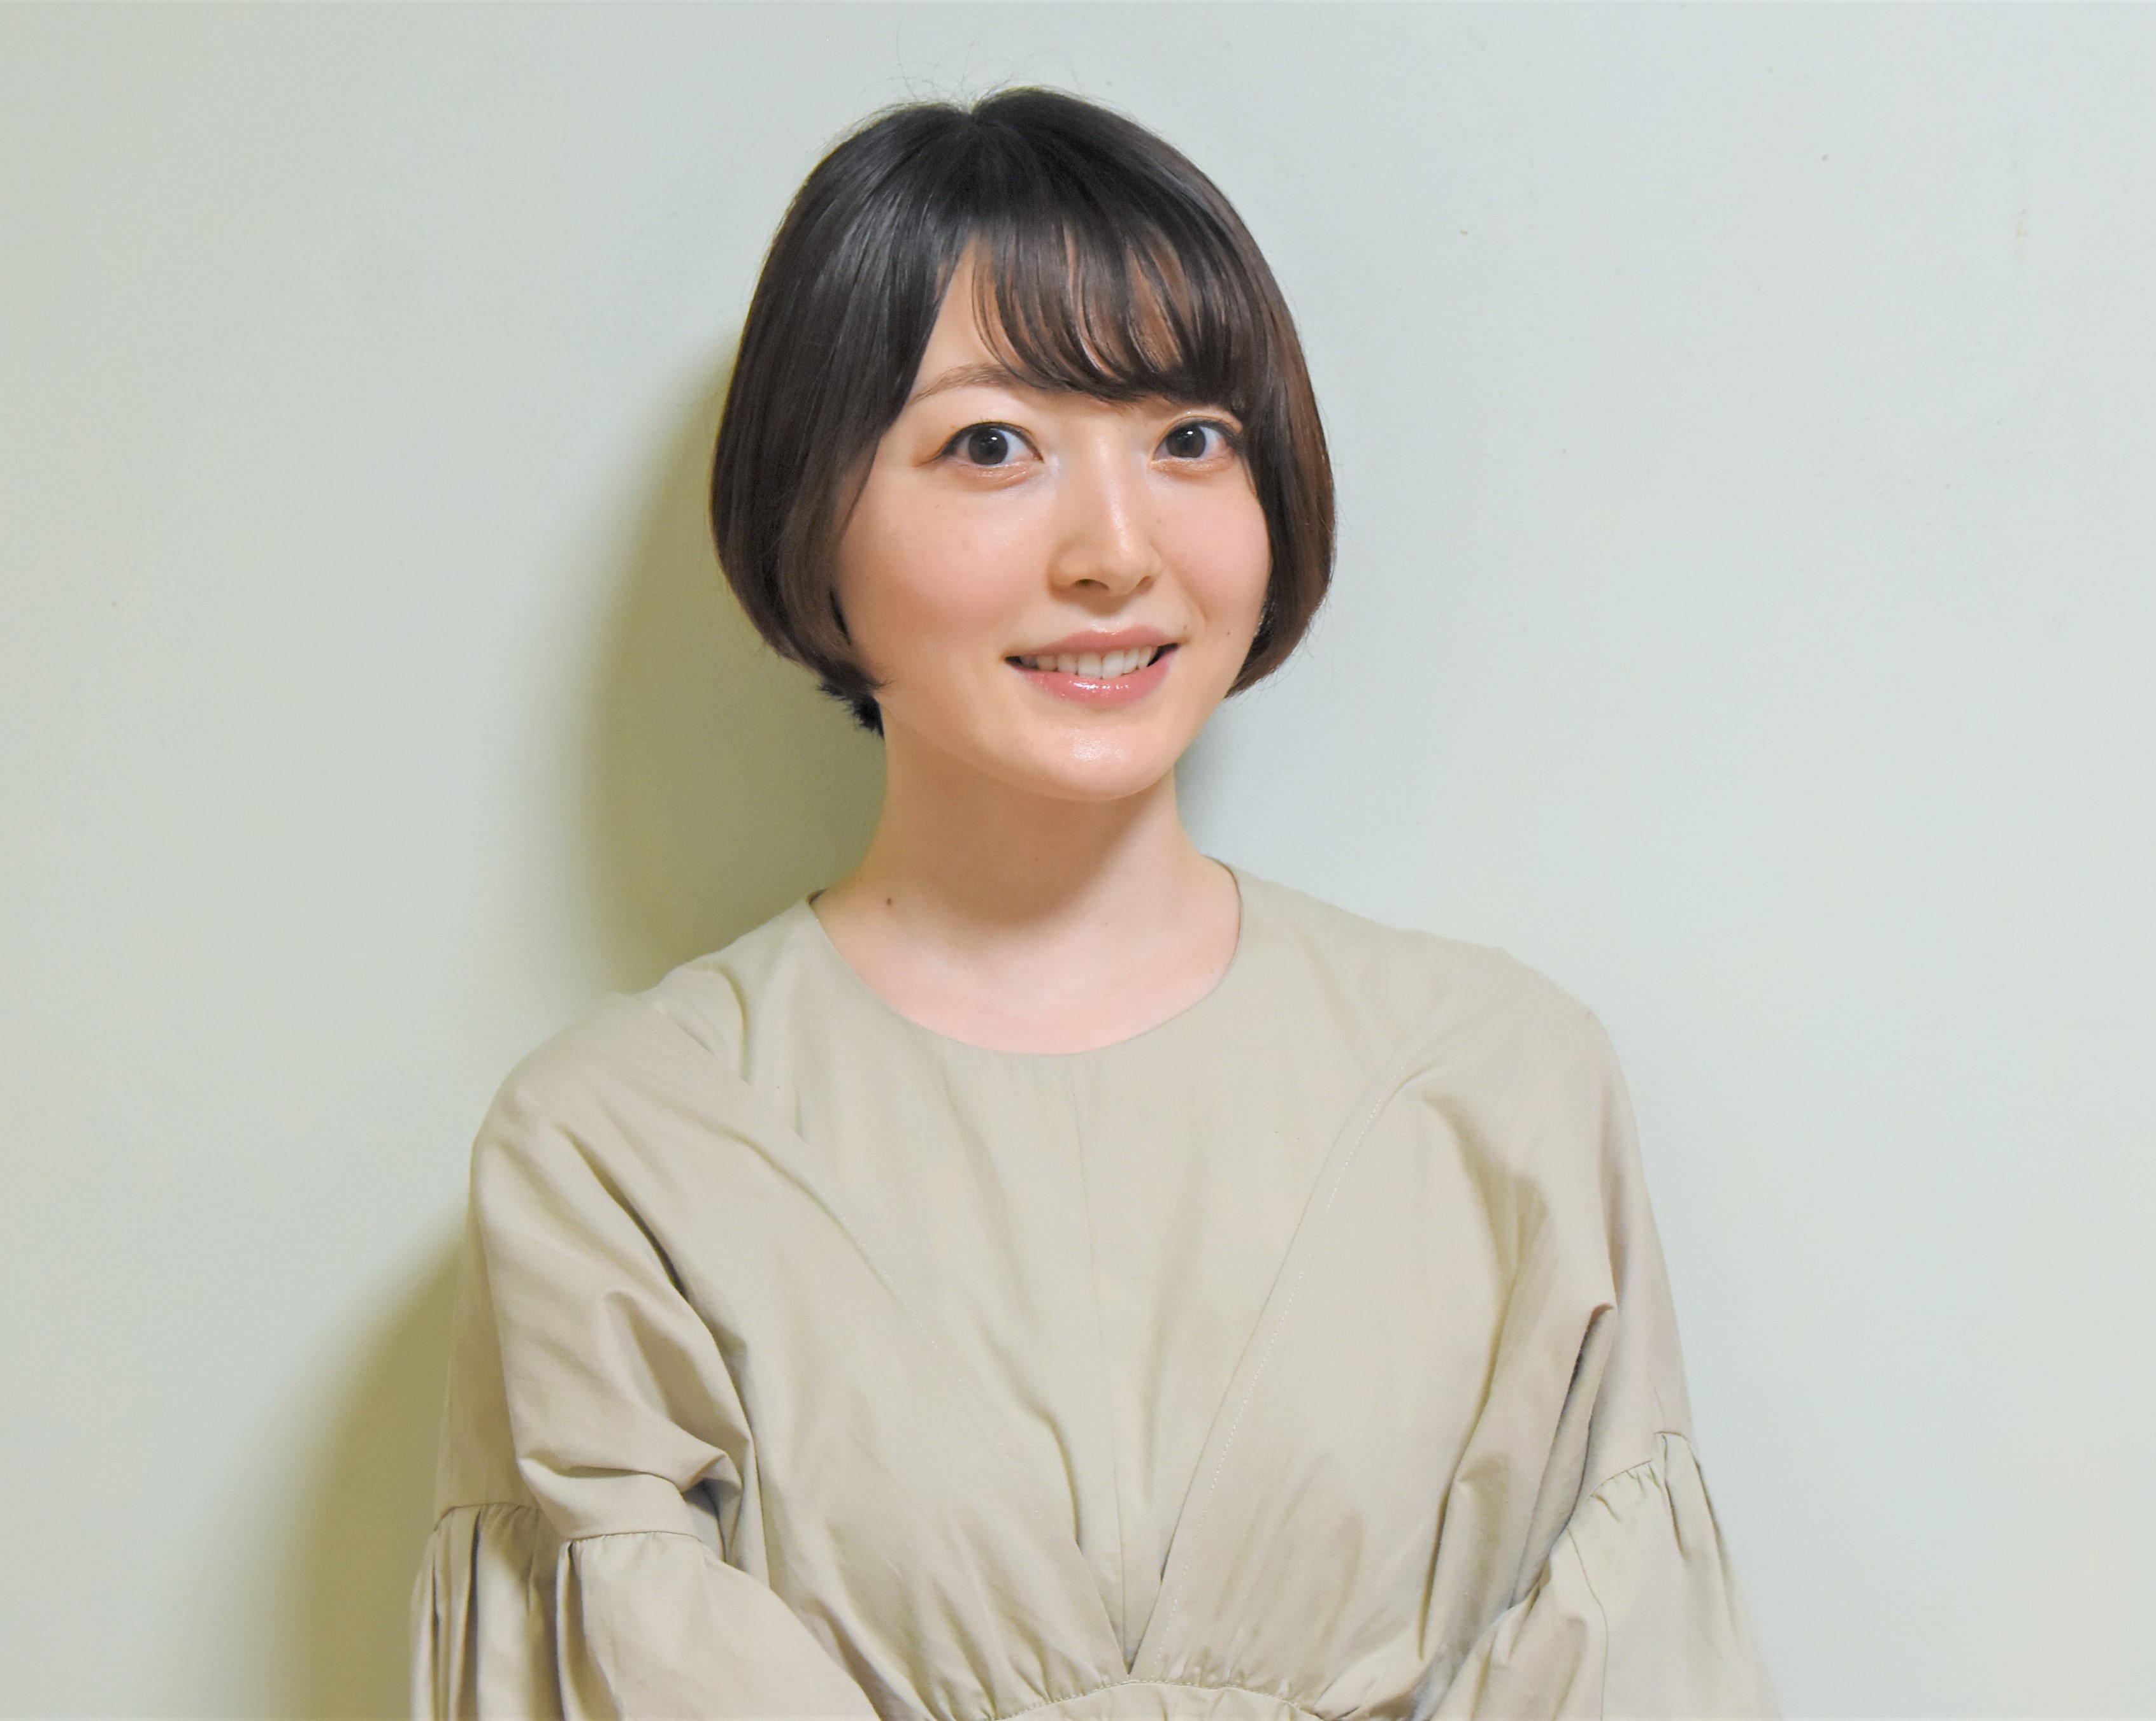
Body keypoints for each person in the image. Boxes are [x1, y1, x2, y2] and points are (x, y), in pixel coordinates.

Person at [410, 87, 1776, 1720]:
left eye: (1190, 438)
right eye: (990, 445)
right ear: (809, 512)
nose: (1115, 551)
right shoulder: (617, 1149)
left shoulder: (1498, 1081)